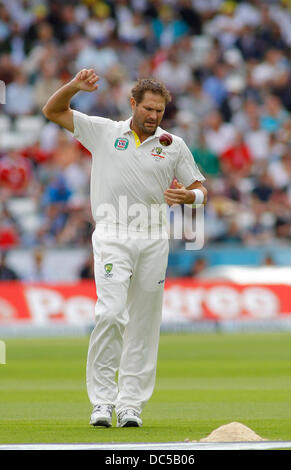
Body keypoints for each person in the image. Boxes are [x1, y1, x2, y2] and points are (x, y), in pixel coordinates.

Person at [42, 69, 207, 428]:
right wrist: (73, 86)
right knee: (111, 314)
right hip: (113, 233)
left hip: (153, 237)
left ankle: (130, 403)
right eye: (148, 108)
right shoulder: (105, 131)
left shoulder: (172, 145)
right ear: (133, 104)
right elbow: (52, 111)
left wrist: (189, 196)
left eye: (160, 111)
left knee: (144, 325)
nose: (153, 116)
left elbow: (200, 190)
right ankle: (102, 402)